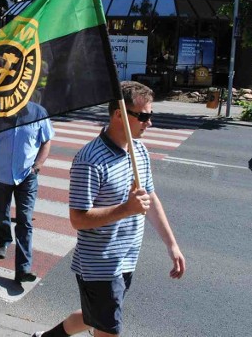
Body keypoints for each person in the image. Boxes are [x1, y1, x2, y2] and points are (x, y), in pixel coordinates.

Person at [32, 81, 186, 337]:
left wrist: (172, 245)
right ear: (119, 115)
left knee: (95, 317)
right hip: (100, 267)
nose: (150, 122)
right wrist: (126, 208)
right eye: (144, 116)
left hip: (126, 259)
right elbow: (78, 219)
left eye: (151, 115)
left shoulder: (139, 150)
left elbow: (150, 198)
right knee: (107, 328)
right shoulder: (89, 160)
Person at [0, 103, 54, 283]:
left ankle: (23, 268)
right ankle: (4, 241)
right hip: (1, 174)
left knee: (24, 220)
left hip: (27, 175)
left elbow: (46, 140)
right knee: (1, 213)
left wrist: (38, 166)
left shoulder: (38, 112)